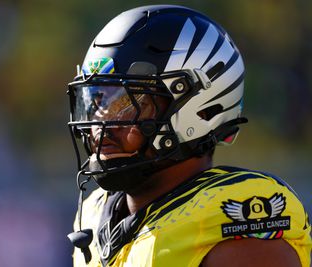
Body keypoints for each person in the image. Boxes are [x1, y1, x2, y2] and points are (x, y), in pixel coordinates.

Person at [66, 5, 311, 267]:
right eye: (98, 102)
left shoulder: (238, 222)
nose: (101, 126)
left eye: (128, 102)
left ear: (201, 110)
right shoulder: (94, 214)